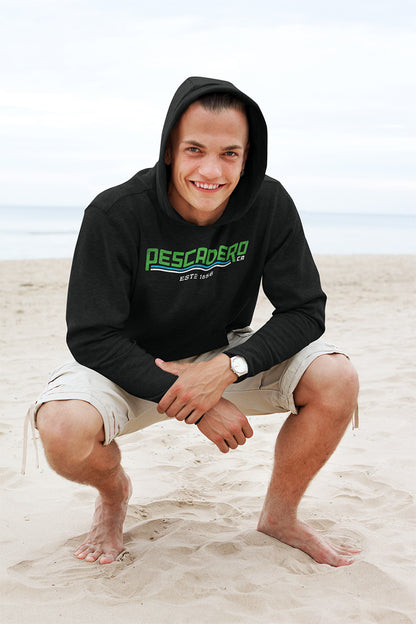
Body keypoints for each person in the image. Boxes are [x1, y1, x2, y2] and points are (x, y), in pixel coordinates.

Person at [30, 76, 360, 567]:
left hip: (220, 350)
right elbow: (92, 334)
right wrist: (198, 404)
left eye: (230, 153)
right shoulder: (115, 213)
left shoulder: (268, 203)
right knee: (61, 428)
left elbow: (305, 310)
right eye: (195, 149)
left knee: (337, 377)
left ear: (248, 156)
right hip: (126, 363)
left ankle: (280, 517)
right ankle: (114, 494)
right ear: (169, 150)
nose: (211, 170)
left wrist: (229, 368)